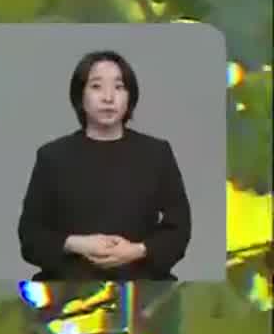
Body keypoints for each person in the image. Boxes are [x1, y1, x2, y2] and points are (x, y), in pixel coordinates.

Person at [16, 50, 191, 281]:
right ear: (80, 96)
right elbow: (31, 236)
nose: (108, 98)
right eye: (96, 86)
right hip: (71, 285)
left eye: (119, 87)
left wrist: (137, 250)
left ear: (130, 97)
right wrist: (76, 244)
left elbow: (179, 228)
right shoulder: (52, 157)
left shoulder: (156, 153)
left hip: (142, 283)